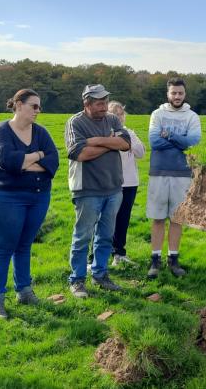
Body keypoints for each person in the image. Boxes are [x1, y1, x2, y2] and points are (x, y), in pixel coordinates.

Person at [0, 89, 59, 319]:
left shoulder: (41, 132)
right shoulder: (1, 131)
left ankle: (24, 291)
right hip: (7, 198)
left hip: (38, 197)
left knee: (25, 245)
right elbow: (7, 162)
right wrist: (39, 156)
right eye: (34, 106)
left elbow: (53, 162)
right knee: (4, 247)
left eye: (39, 107)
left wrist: (27, 161)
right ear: (18, 104)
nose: (38, 111)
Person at [65, 84, 131, 298]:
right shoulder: (75, 122)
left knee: (105, 235)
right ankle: (77, 280)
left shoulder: (112, 119)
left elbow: (126, 143)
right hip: (87, 189)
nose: (104, 107)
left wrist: (96, 141)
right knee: (83, 235)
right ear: (87, 104)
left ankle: (100, 274)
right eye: (99, 103)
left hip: (113, 188)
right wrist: (111, 143)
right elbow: (80, 153)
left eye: (105, 101)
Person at [146, 78, 201, 278]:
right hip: (159, 172)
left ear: (184, 95)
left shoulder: (192, 116)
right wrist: (180, 141)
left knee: (177, 218)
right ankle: (155, 260)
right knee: (158, 218)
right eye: (173, 93)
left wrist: (167, 135)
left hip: (183, 173)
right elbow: (154, 141)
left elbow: (193, 142)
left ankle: (174, 260)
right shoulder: (157, 114)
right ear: (167, 94)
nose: (176, 96)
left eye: (180, 93)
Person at [107, 101, 145, 266]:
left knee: (123, 219)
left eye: (121, 113)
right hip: (108, 183)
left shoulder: (130, 132)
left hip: (129, 183)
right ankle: (95, 257)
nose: (118, 116)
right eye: (114, 113)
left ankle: (119, 253)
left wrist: (127, 140)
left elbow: (141, 152)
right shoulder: (104, 133)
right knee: (105, 220)